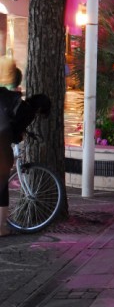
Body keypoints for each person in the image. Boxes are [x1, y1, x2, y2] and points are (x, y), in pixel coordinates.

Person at [0, 89, 51, 236]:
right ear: (40, 108)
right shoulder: (29, 112)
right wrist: (20, 136)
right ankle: (1, 228)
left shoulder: (18, 103)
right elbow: (14, 135)